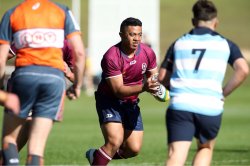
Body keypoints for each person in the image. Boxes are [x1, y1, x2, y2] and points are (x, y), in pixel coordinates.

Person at [158, 0, 249, 165]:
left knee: (176, 154)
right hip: (210, 106)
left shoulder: (179, 43)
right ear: (216, 22)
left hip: (181, 105)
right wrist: (223, 93)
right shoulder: (226, 44)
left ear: (193, 21)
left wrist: (176, 89)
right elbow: (243, 70)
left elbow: (162, 77)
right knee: (205, 148)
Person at [0, 0, 85, 165]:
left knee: (10, 139)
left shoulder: (13, 13)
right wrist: (78, 86)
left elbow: (1, 58)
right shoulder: (63, 11)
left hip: (24, 77)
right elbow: (80, 53)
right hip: (54, 80)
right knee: (36, 149)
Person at [85, 17, 159, 165]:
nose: (137, 39)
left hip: (131, 102)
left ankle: (97, 156)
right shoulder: (111, 56)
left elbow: (154, 76)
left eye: (139, 34)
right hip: (109, 100)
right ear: (121, 35)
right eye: (132, 34)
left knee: (133, 149)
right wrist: (144, 87)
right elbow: (118, 90)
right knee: (114, 141)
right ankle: (102, 158)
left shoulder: (148, 52)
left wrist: (157, 88)